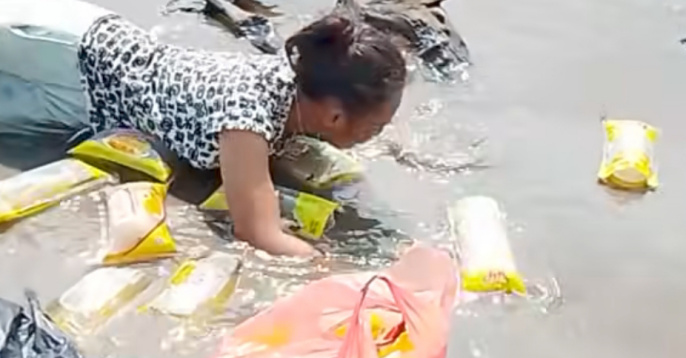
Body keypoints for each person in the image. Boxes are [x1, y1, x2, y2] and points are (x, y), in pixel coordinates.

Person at [0, 0, 407, 257]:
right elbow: (258, 232)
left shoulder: (294, 86)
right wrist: (335, 270)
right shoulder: (248, 119)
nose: (377, 135)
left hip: (87, 46)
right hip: (57, 54)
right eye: (375, 127)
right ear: (335, 116)